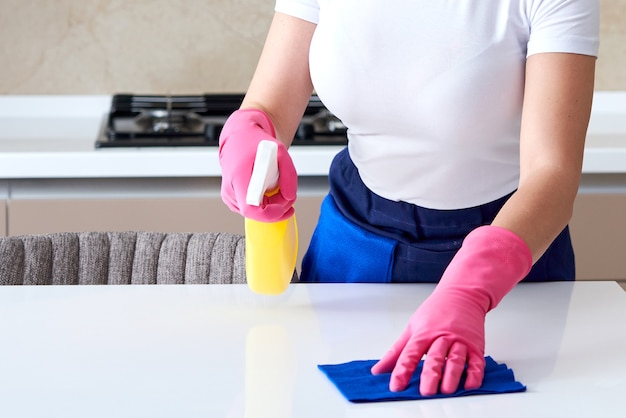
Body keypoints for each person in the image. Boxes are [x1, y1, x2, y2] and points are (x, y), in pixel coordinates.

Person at [218, 0, 599, 396]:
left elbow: (551, 173)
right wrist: (251, 132)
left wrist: (471, 289)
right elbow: (269, 106)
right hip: (353, 245)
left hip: (507, 254)